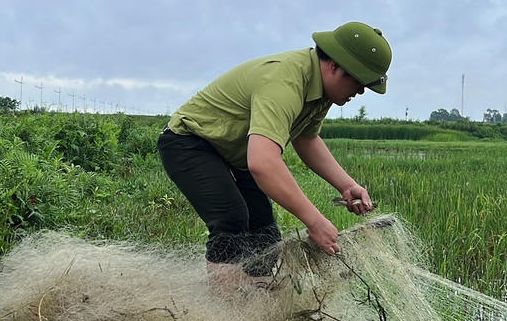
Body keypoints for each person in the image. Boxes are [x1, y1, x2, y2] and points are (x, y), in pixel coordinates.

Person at [157, 22, 391, 288]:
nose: (359, 92)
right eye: (359, 83)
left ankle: (255, 309)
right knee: (232, 220)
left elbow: (307, 138)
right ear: (335, 66)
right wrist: (314, 221)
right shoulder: (285, 81)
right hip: (190, 141)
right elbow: (263, 162)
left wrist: (347, 185)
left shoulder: (323, 92)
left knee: (266, 236)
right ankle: (222, 315)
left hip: (235, 152)